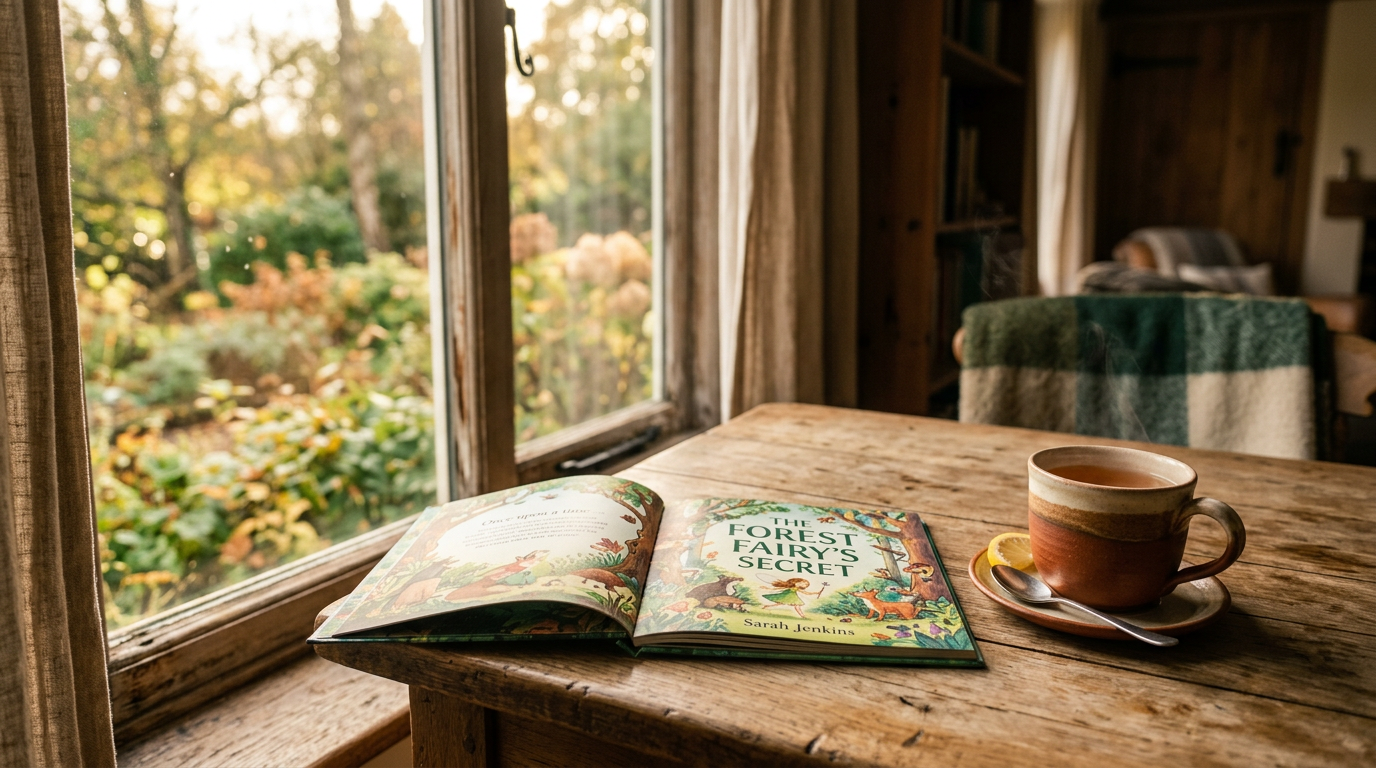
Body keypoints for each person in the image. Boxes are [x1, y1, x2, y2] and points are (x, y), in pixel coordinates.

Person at [756, 576, 826, 619]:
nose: (804, 585)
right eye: (802, 583)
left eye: (805, 585)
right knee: (785, 604)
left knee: (794, 605)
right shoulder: (791, 587)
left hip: (793, 597)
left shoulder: (797, 588)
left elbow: (807, 593)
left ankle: (767, 606)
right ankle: (802, 616)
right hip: (786, 596)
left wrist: (817, 592)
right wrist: (767, 588)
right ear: (795, 582)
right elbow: (777, 589)